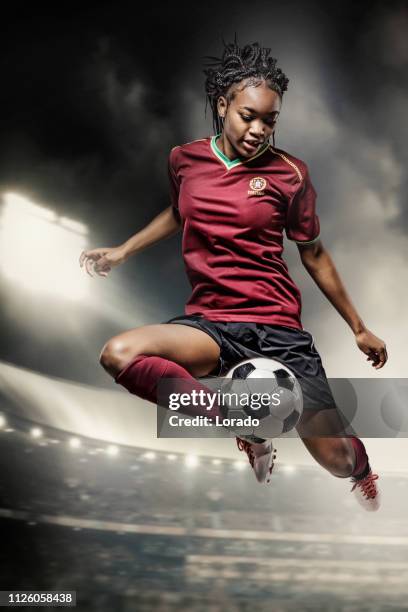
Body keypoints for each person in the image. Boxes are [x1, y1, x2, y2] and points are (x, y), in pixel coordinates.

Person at [79, 37, 387, 511]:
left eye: (271, 119)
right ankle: (245, 425)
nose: (259, 129)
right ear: (223, 106)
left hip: (278, 330)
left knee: (338, 459)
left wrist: (359, 327)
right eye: (249, 116)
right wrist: (123, 251)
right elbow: (182, 212)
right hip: (212, 326)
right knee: (118, 354)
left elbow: (315, 253)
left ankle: (363, 472)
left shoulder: (291, 175)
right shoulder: (185, 159)